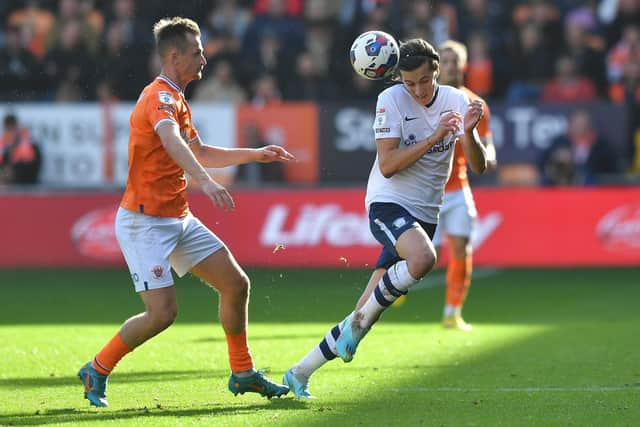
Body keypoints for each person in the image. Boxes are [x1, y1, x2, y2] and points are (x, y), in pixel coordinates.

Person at [77, 17, 294, 407]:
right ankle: (97, 367)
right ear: (174, 56)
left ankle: (242, 371)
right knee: (162, 314)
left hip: (177, 219)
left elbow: (201, 151)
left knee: (236, 283)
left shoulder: (177, 99)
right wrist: (206, 183)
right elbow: (173, 141)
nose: (204, 58)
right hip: (145, 223)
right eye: (197, 52)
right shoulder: (158, 97)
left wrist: (256, 155)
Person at [283, 37, 488, 398]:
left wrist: (468, 132)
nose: (418, 90)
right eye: (409, 83)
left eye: (425, 81)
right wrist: (435, 136)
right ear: (400, 81)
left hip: (426, 213)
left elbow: (480, 166)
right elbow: (389, 165)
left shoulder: (458, 101)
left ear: (437, 71)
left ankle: (299, 372)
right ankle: (350, 331)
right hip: (388, 203)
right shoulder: (390, 100)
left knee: (361, 318)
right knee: (424, 258)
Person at [0, 113, 41, 185]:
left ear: (16, 126)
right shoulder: (4, 140)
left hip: (25, 170)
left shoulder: (24, 137)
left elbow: (27, 157)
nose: (10, 130)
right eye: (8, 127)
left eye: (11, 127)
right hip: (11, 170)